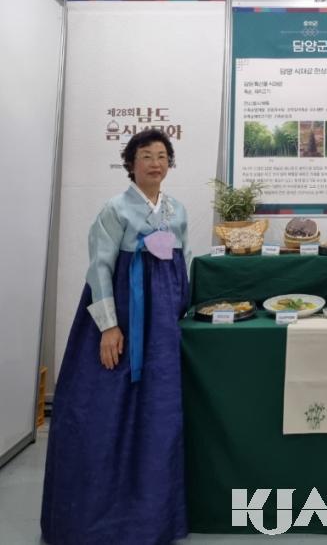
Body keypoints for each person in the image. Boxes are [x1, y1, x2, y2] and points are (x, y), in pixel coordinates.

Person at [41, 129, 191, 545]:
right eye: (146, 156)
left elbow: (180, 263)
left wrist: (180, 309)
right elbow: (99, 269)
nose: (155, 164)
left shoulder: (176, 210)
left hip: (160, 327)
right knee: (105, 412)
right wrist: (108, 326)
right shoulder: (115, 209)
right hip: (123, 315)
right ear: (130, 163)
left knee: (158, 411)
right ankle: (98, 518)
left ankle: (154, 517)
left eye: (162, 156)